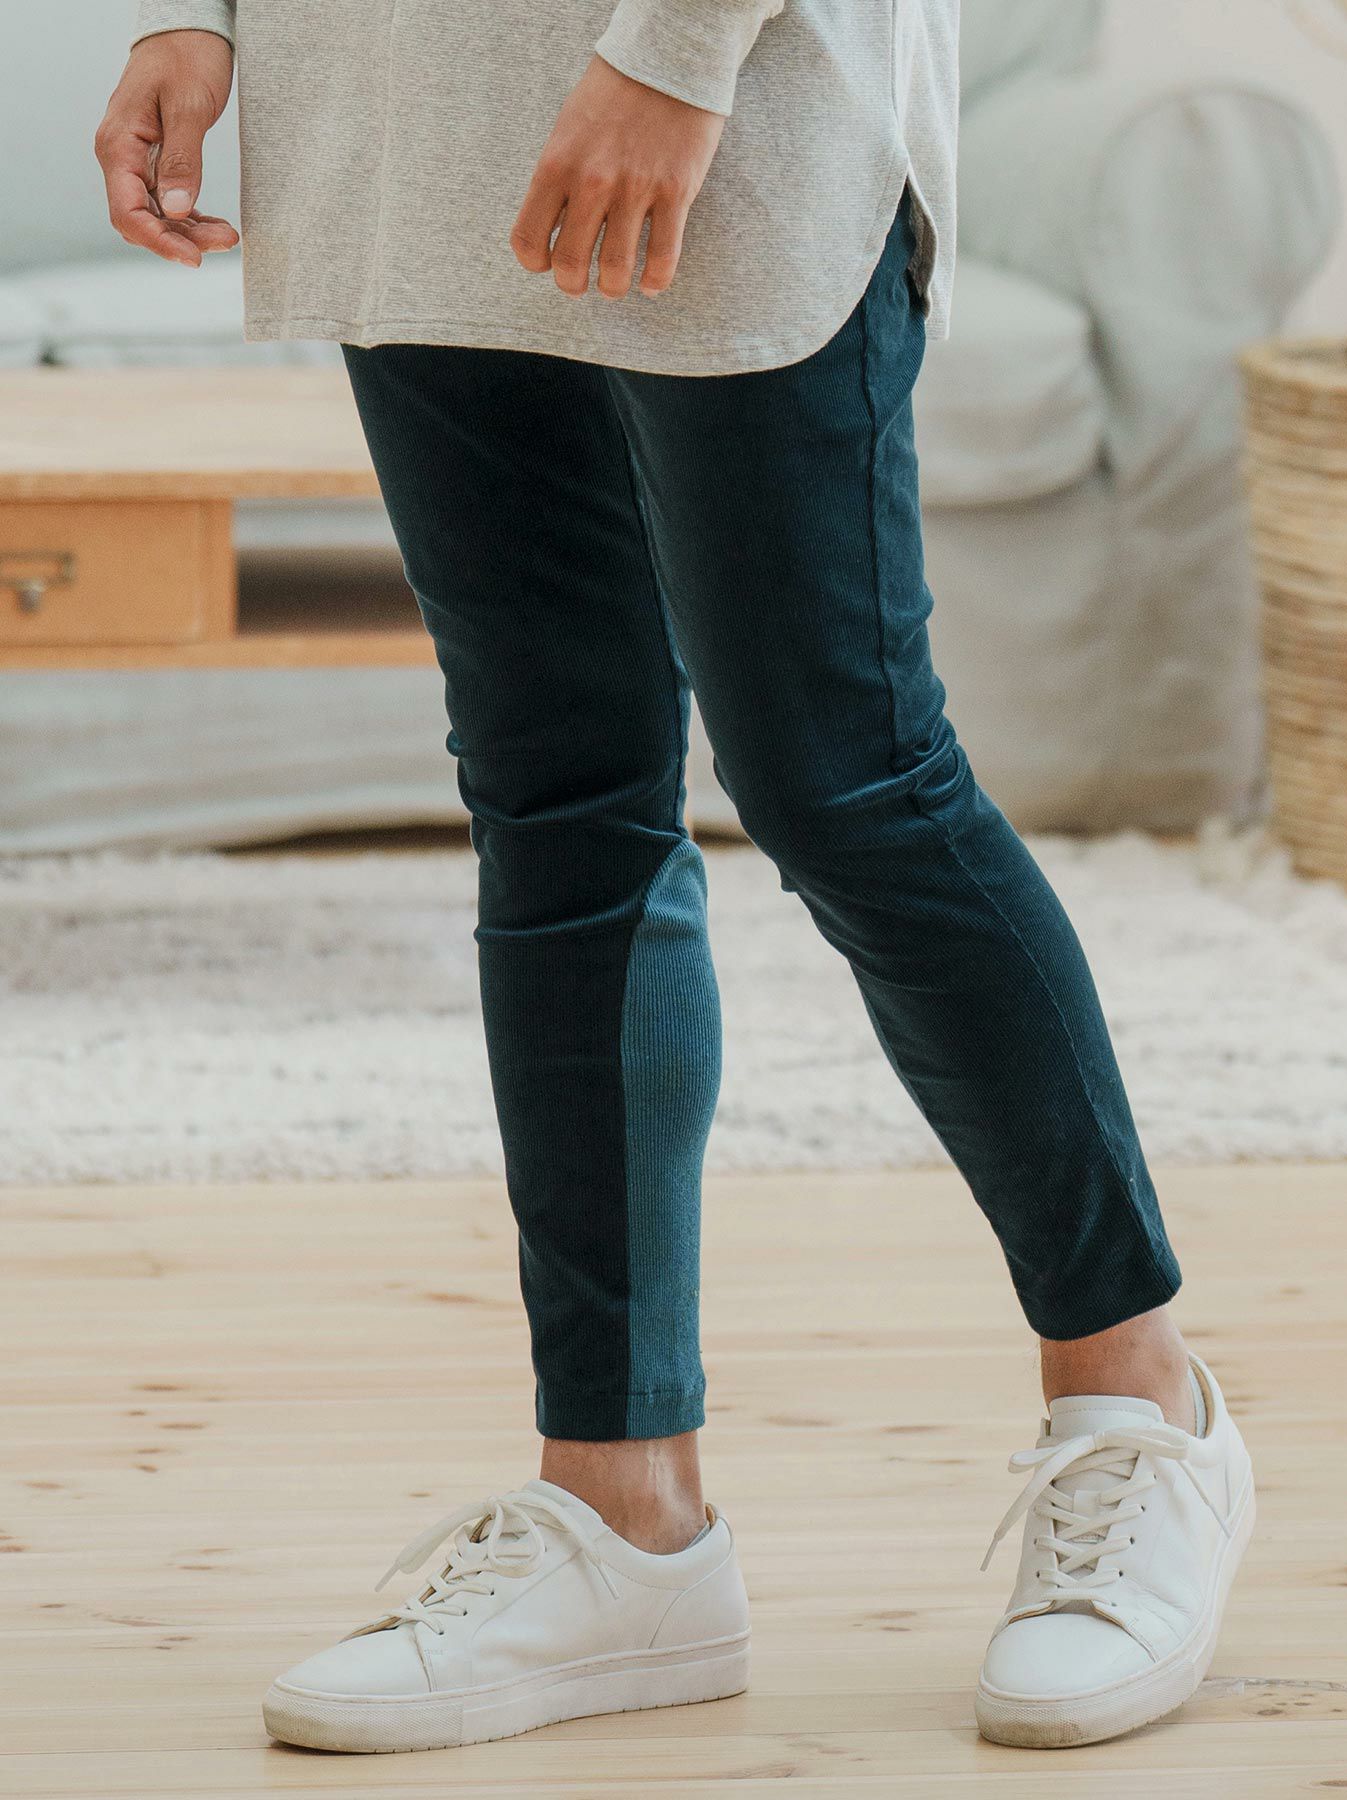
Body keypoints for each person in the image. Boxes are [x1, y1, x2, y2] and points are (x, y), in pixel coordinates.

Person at [98, 1, 1255, 1756]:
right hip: (392, 108)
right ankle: (624, 1513)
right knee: (557, 803)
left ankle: (1141, 1411)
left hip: (723, 98)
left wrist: (678, 50)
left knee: (852, 785)